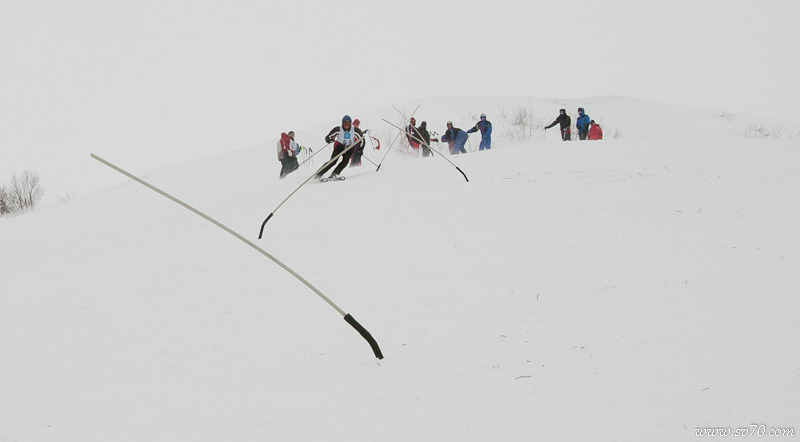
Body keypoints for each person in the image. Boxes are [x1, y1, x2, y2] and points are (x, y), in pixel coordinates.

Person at [317, 115, 365, 180]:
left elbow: (362, 140)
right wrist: (329, 139)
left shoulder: (355, 131)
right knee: (333, 161)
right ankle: (319, 174)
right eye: (345, 123)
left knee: (345, 161)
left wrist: (360, 150)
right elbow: (328, 137)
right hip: (339, 146)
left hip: (349, 148)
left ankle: (335, 173)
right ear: (342, 123)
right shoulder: (338, 129)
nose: (347, 125)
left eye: (348, 123)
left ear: (351, 123)